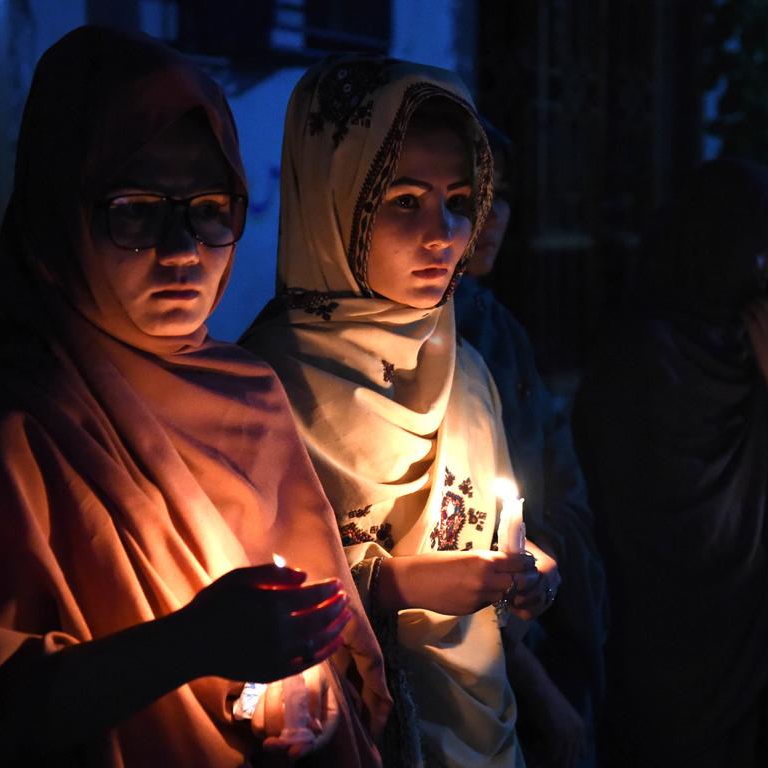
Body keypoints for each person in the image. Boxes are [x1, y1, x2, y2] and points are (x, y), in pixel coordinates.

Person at [0, 26, 389, 766]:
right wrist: (189, 644)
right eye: (135, 210)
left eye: (209, 209)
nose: (182, 253)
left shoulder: (252, 394)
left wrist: (309, 706)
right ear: (58, 213)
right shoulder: (11, 423)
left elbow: (319, 646)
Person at [242, 55, 559, 767]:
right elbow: (239, 596)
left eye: (458, 200)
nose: (444, 235)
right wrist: (397, 583)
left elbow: (479, 524)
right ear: (335, 199)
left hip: (482, 724)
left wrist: (523, 569)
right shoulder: (265, 384)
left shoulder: (466, 368)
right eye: (404, 201)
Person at [573, 158, 768, 767]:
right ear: (713, 244)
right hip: (673, 653)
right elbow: (638, 518)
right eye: (757, 251)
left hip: (760, 647)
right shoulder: (642, 353)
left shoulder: (759, 345)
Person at [453, 120, 605, 767]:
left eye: (501, 195)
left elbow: (561, 486)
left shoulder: (497, 331)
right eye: (467, 197)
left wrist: (538, 554)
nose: (491, 216)